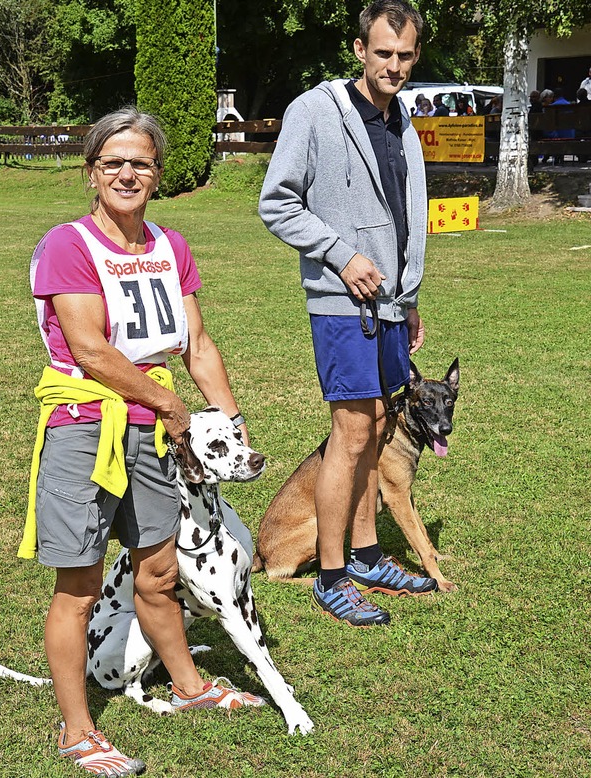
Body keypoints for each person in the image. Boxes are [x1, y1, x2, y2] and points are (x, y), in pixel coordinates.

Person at [19, 107, 263, 776]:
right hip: (87, 429)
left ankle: (188, 686)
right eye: (114, 162)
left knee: (158, 569)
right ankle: (77, 731)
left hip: (155, 433)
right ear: (91, 172)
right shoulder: (68, 244)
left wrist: (229, 419)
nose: (128, 173)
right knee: (82, 583)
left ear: (157, 173)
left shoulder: (170, 246)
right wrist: (169, 403)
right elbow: (91, 351)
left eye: (142, 162)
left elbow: (198, 343)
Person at [258, 0, 437, 629]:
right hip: (343, 302)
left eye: (405, 55)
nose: (393, 65)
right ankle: (331, 576)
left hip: (389, 305)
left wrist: (408, 299)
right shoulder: (315, 111)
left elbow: (407, 219)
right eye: (382, 53)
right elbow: (276, 202)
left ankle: (364, 554)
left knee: (381, 426)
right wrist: (341, 256)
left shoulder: (402, 121)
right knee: (352, 432)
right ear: (359, 50)